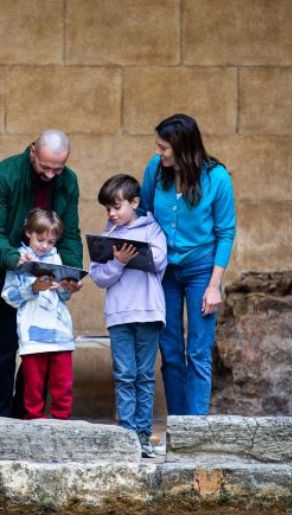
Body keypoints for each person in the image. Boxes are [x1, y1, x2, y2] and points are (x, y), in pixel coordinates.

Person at [0, 130, 83, 418]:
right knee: (5, 345)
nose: (50, 175)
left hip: (47, 281)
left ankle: (25, 414)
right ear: (32, 151)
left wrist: (71, 272)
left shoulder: (68, 181)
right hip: (6, 274)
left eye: (57, 169)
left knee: (37, 351)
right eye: (45, 167)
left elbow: (70, 233)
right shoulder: (4, 174)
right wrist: (13, 257)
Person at [138, 114, 236, 416]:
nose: (158, 152)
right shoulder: (156, 170)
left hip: (201, 270)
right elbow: (143, 213)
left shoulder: (216, 177)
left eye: (164, 147)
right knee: (169, 350)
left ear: (182, 148)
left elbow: (226, 232)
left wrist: (213, 286)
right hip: (165, 269)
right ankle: (178, 426)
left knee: (199, 350)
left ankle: (195, 430)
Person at [89, 174, 167, 457]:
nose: (112, 214)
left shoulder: (152, 230)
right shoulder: (107, 236)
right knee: (124, 374)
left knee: (144, 375)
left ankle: (143, 435)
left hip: (148, 313)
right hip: (119, 315)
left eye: (117, 207)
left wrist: (130, 255)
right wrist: (118, 263)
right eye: (108, 209)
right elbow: (98, 276)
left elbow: (158, 260)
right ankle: (126, 435)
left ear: (134, 202)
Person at [1, 209, 76, 420]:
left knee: (63, 382)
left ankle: (62, 419)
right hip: (32, 332)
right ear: (28, 233)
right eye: (40, 239)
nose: (45, 246)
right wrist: (33, 287)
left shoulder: (57, 258)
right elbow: (9, 296)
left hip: (60, 332)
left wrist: (65, 287)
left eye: (51, 241)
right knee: (33, 383)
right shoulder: (18, 260)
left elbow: (64, 298)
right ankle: (34, 419)